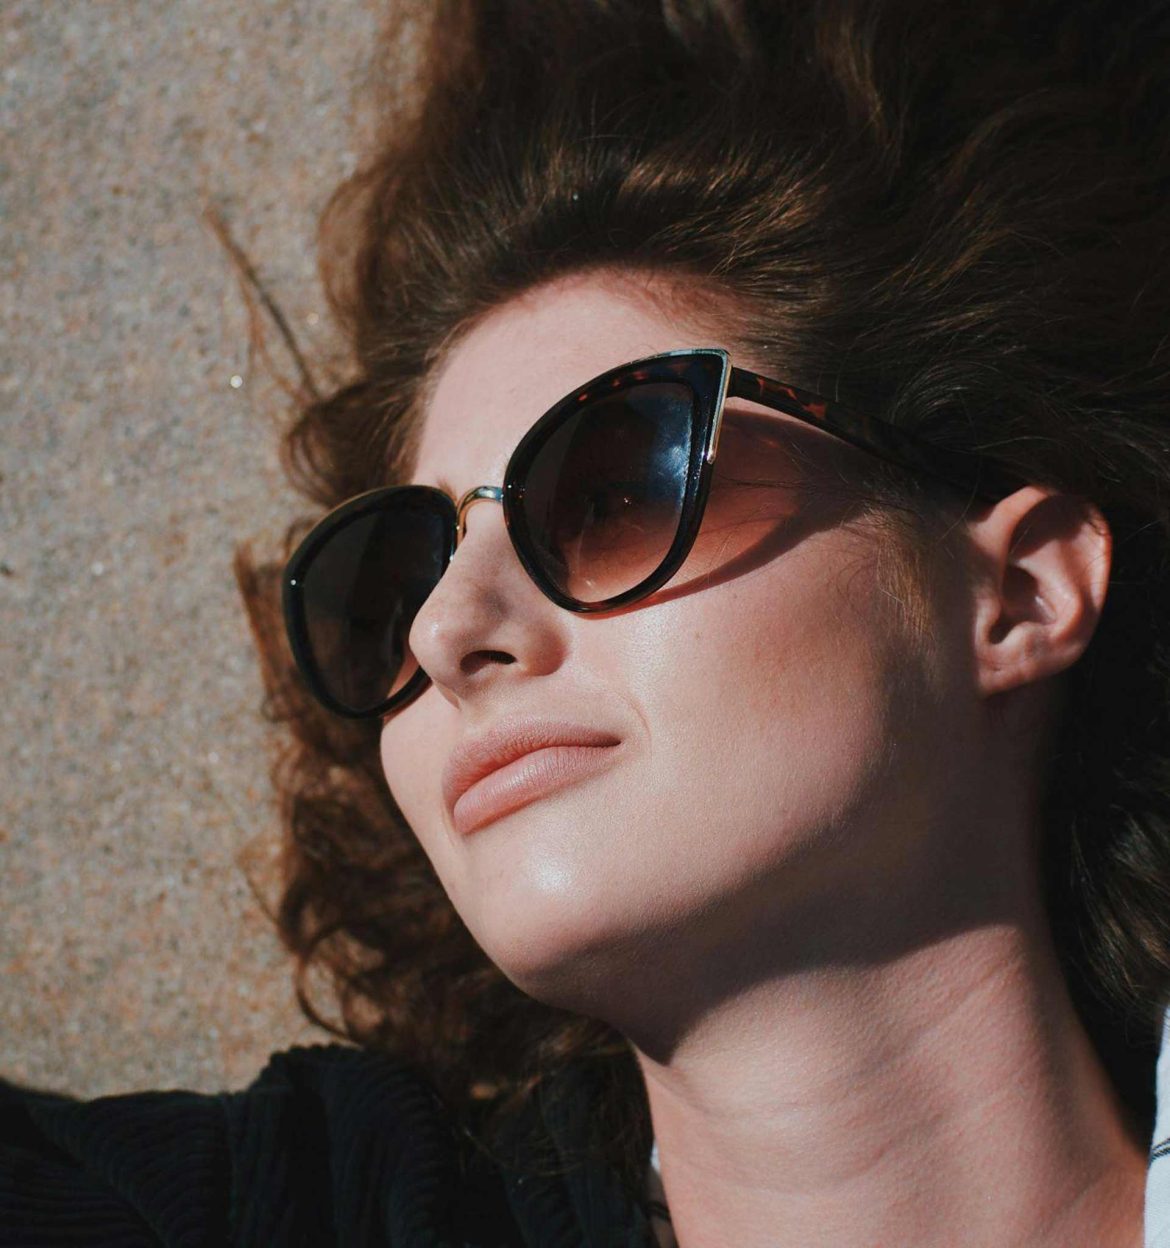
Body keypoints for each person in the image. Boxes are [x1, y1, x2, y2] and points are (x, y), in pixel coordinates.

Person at [4, 1, 1170, 1244]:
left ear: (1022, 595)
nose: (445, 630)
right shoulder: (275, 1209)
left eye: (613, 492)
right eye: (395, 574)